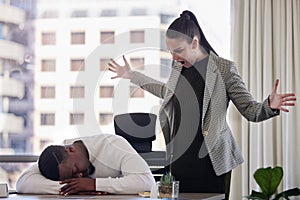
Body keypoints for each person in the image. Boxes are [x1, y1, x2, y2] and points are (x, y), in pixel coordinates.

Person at [108, 10, 297, 199]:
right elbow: (168, 93)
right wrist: (133, 75)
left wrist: (269, 106)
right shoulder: (178, 67)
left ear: (195, 43)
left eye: (179, 50)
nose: (174, 57)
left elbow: (250, 110)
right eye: (171, 51)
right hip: (180, 161)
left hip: (211, 164)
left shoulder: (224, 69)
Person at [16, 134, 155, 195]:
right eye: (72, 177)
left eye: (75, 169)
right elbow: (23, 183)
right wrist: (73, 188)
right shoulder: (54, 160)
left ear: (70, 149)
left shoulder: (114, 144)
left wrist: (94, 185)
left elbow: (147, 182)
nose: (80, 176)